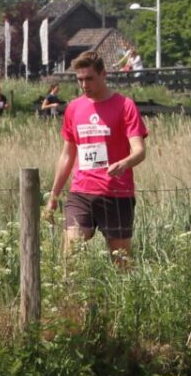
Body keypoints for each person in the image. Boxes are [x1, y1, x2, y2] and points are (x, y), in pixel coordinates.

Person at [47, 51, 149, 263]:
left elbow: (139, 150)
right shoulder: (74, 108)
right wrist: (53, 195)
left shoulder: (125, 106)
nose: (84, 85)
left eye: (89, 78)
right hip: (81, 192)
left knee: (121, 263)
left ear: (104, 74)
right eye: (80, 79)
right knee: (70, 254)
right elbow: (67, 155)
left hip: (116, 193)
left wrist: (125, 163)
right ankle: (72, 287)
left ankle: (120, 286)